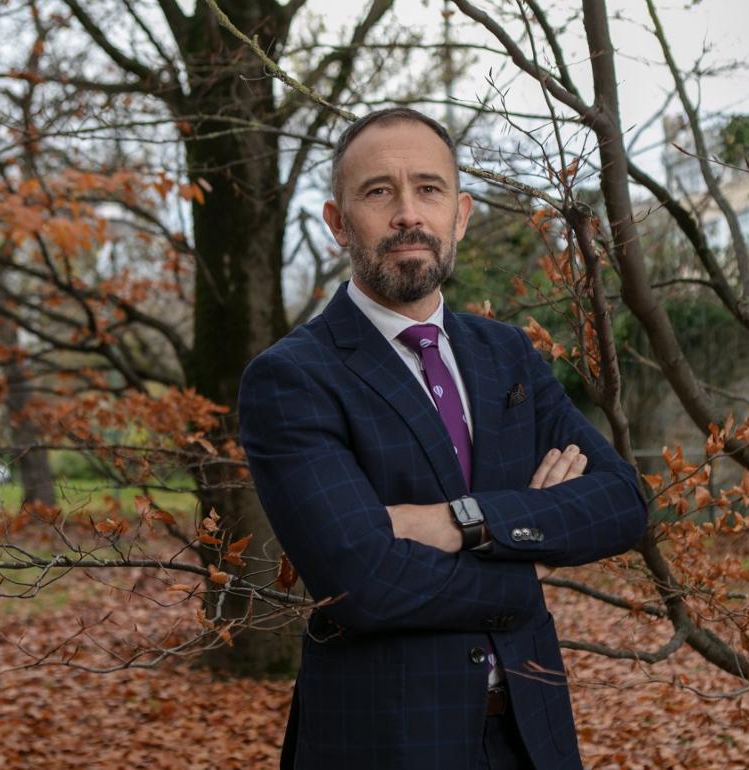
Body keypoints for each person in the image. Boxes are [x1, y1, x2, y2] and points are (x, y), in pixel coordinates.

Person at [237, 107, 649, 770]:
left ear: (459, 215)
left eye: (428, 189)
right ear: (338, 223)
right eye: (379, 192)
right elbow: (362, 582)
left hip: (532, 737)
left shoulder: (509, 356)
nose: (407, 214)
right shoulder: (291, 378)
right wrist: (531, 562)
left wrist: (463, 522)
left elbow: (623, 503)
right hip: (382, 745)